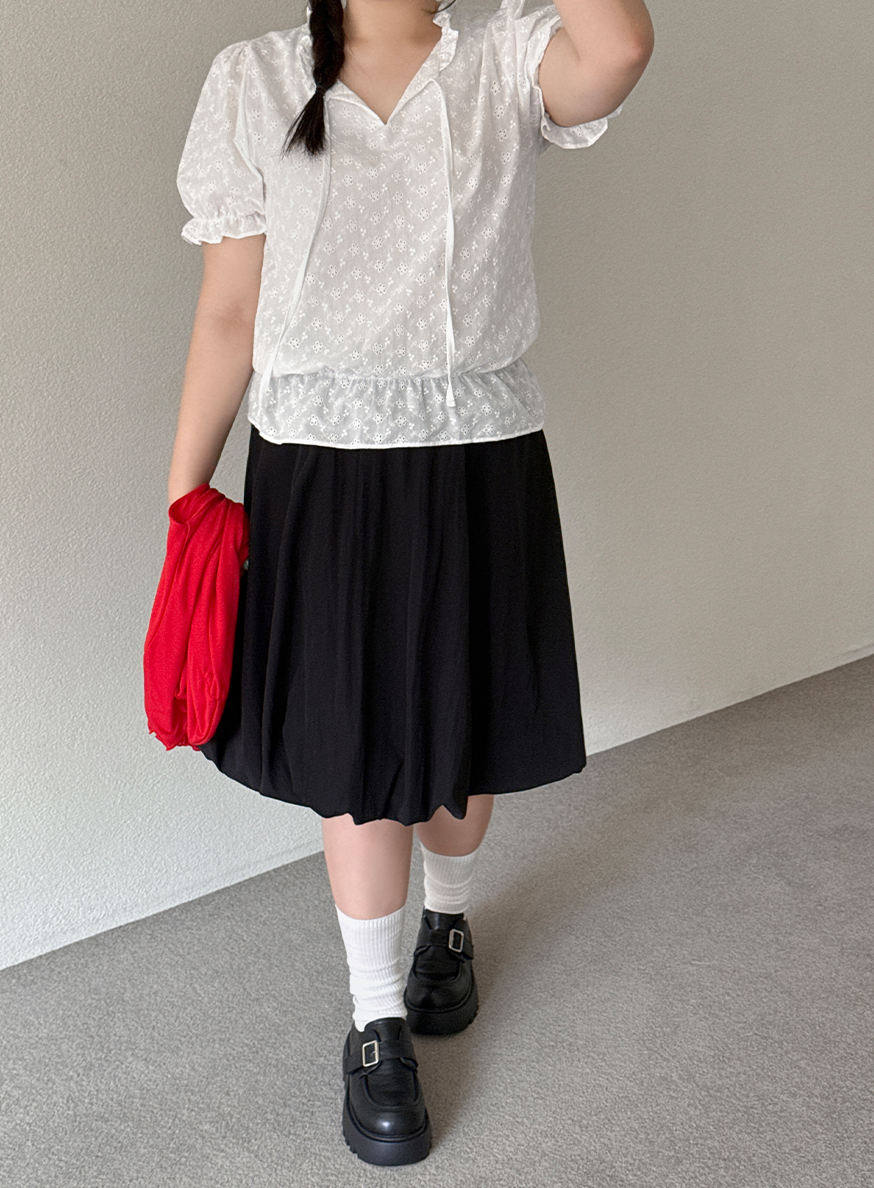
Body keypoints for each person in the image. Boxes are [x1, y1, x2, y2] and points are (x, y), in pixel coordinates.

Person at [168, 0, 653, 1165]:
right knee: (357, 751)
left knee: (465, 733)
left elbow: (621, 47)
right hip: (320, 468)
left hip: (480, 452)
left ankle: (449, 923)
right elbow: (230, 308)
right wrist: (185, 494)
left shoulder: (506, 61)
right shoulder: (256, 78)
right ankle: (377, 1017)